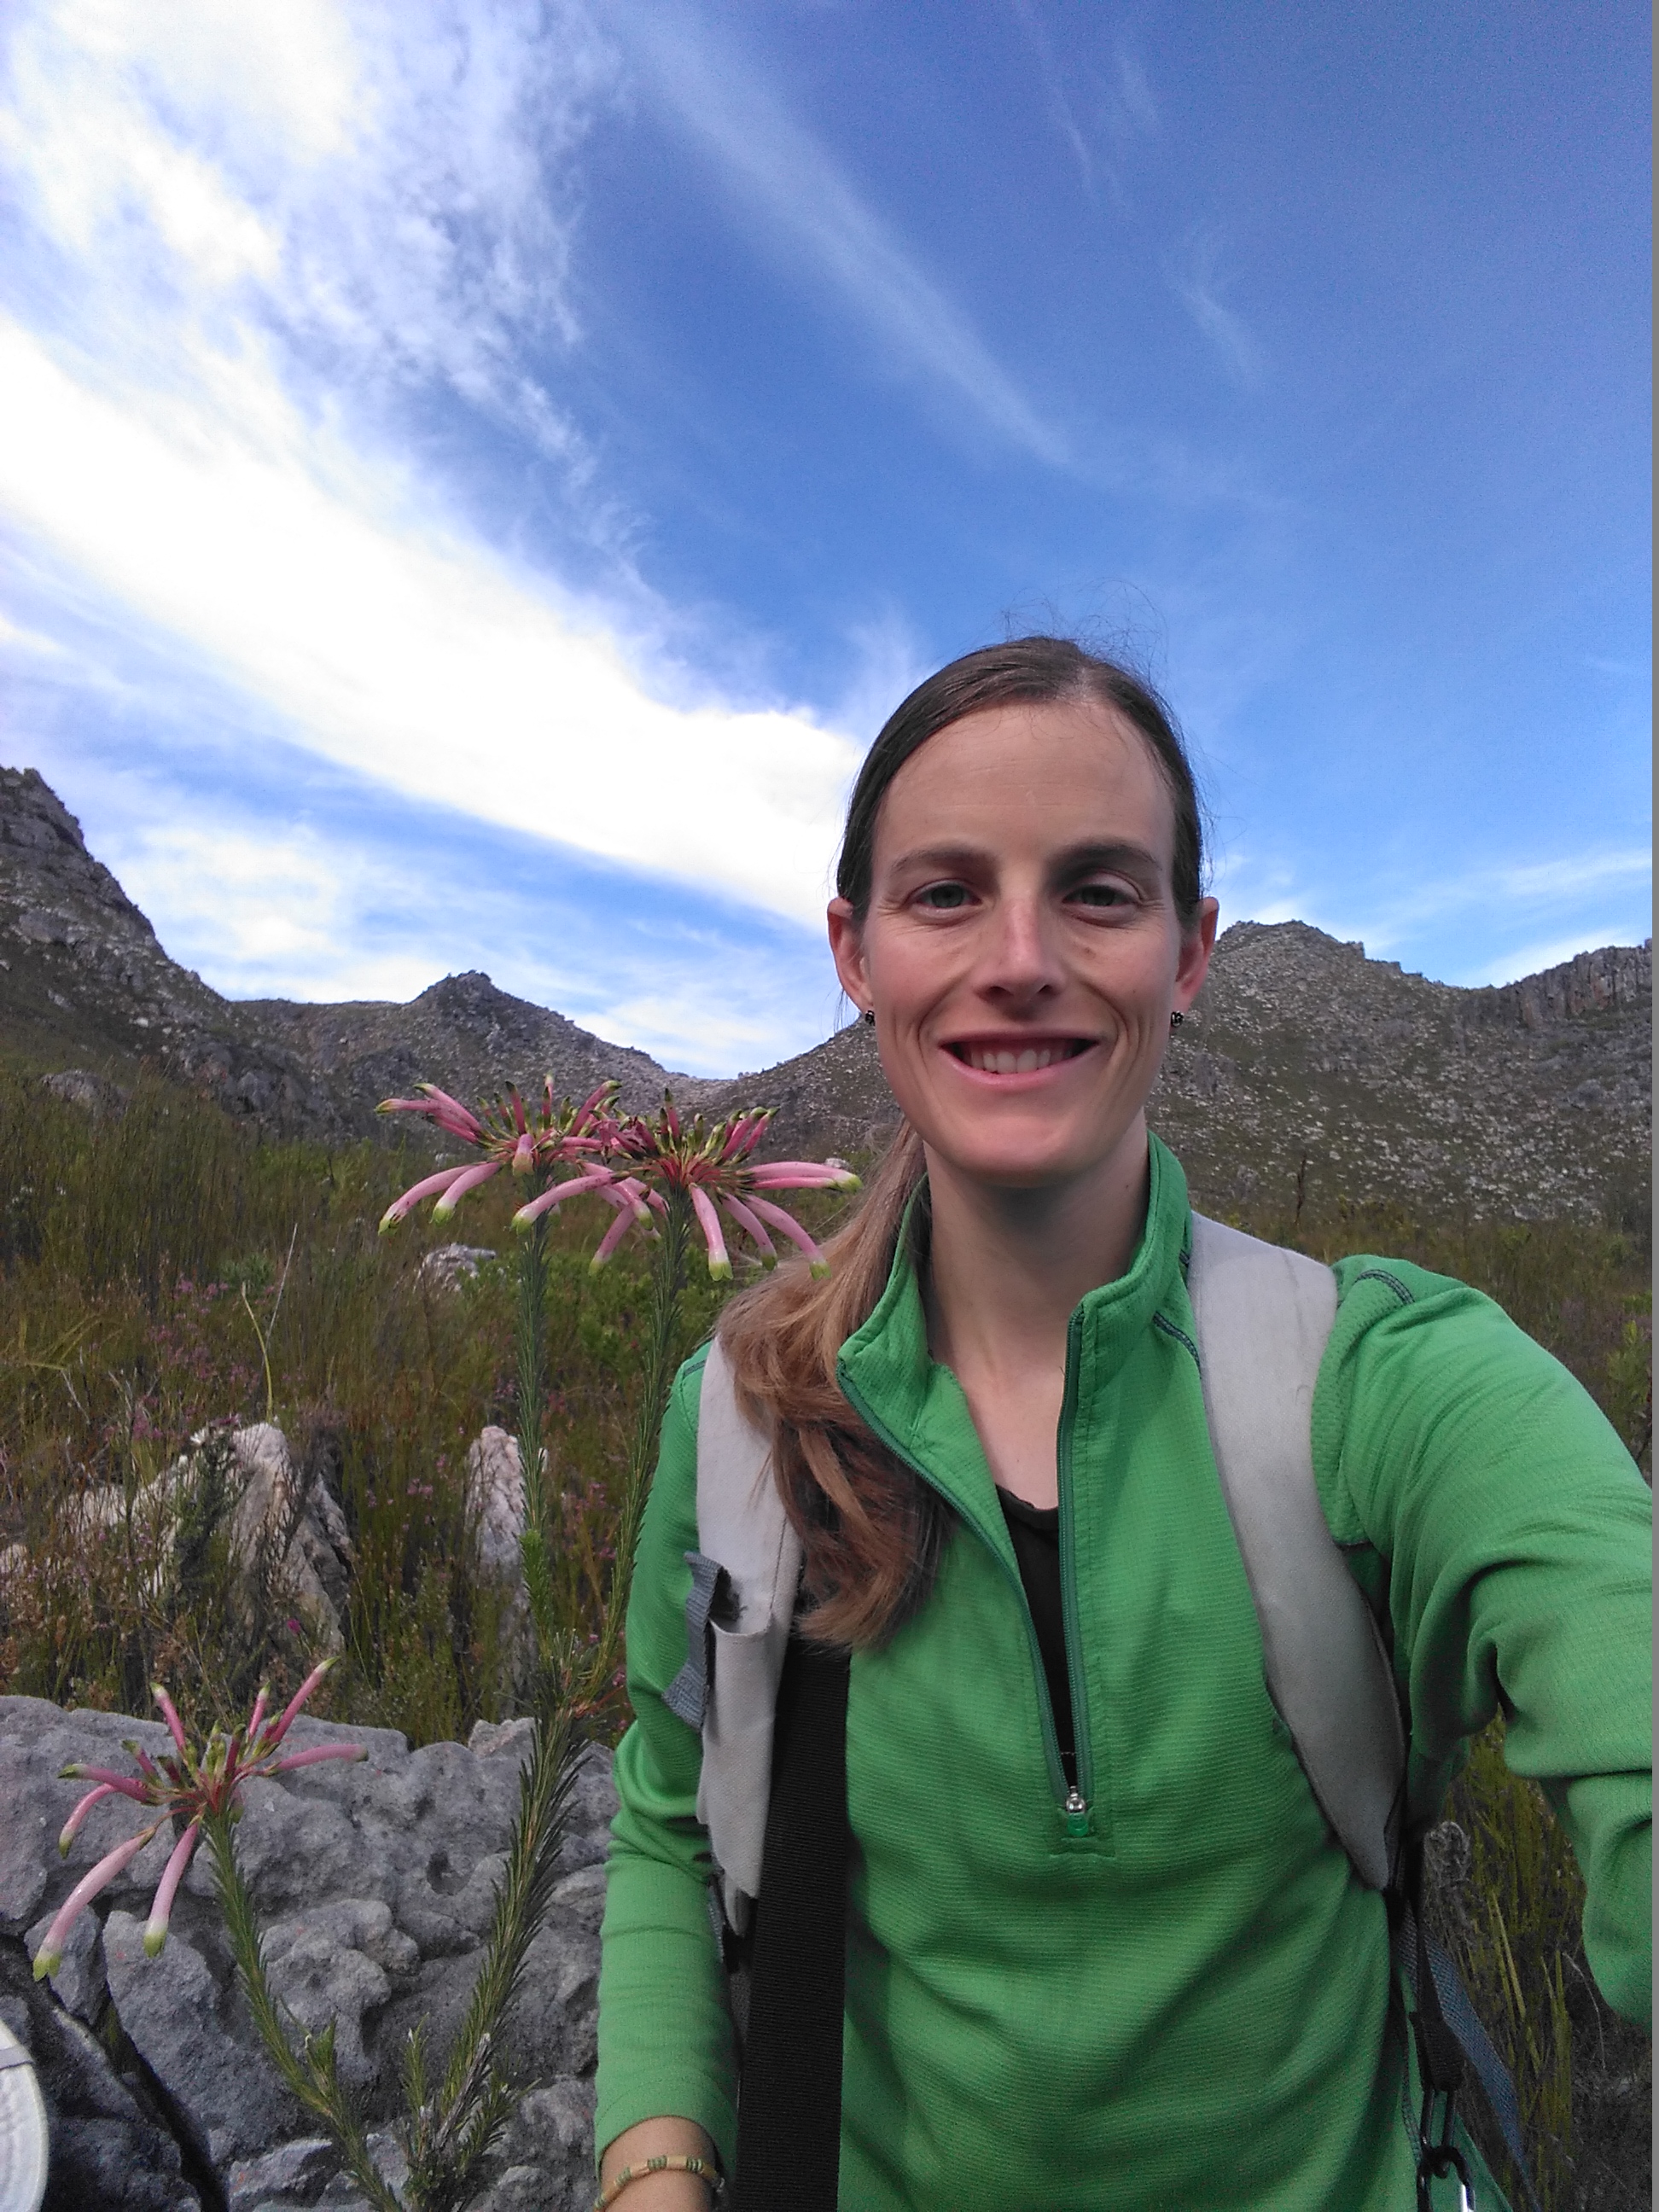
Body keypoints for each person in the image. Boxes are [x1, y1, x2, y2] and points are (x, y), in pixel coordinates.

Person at [592, 637, 1652, 2211]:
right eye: (945, 892)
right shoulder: (743, 1424)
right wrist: (658, 2167)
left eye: (1098, 890)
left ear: (1191, 950)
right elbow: (672, 1826)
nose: (1019, 957)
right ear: (854, 950)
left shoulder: (1389, 1383)